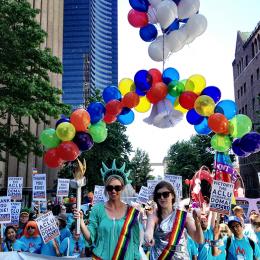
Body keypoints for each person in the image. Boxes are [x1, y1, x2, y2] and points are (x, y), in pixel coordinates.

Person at [74, 159, 140, 259]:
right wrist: (81, 223)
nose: (113, 191)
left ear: (122, 188)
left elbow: (135, 242)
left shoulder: (131, 211)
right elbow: (90, 238)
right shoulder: (97, 210)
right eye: (110, 188)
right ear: (106, 188)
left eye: (117, 188)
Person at [144, 181, 204, 259]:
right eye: (159, 195)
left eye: (165, 194)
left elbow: (199, 240)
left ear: (172, 195)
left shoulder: (183, 216)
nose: (162, 197)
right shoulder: (153, 215)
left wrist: (197, 221)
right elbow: (149, 230)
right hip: (159, 257)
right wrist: (148, 238)